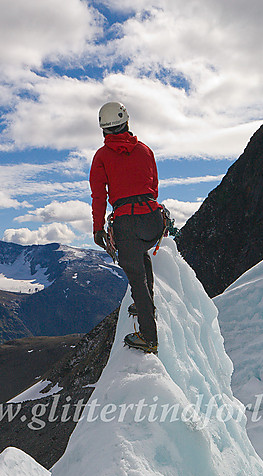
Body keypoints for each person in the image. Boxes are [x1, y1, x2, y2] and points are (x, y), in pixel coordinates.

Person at [89, 101, 165, 354]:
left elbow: (99, 196)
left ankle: (148, 337)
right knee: (142, 256)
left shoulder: (102, 156)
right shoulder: (144, 150)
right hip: (153, 217)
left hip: (127, 221)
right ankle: (148, 304)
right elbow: (153, 185)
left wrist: (98, 227)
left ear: (103, 130)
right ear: (127, 123)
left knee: (135, 278)